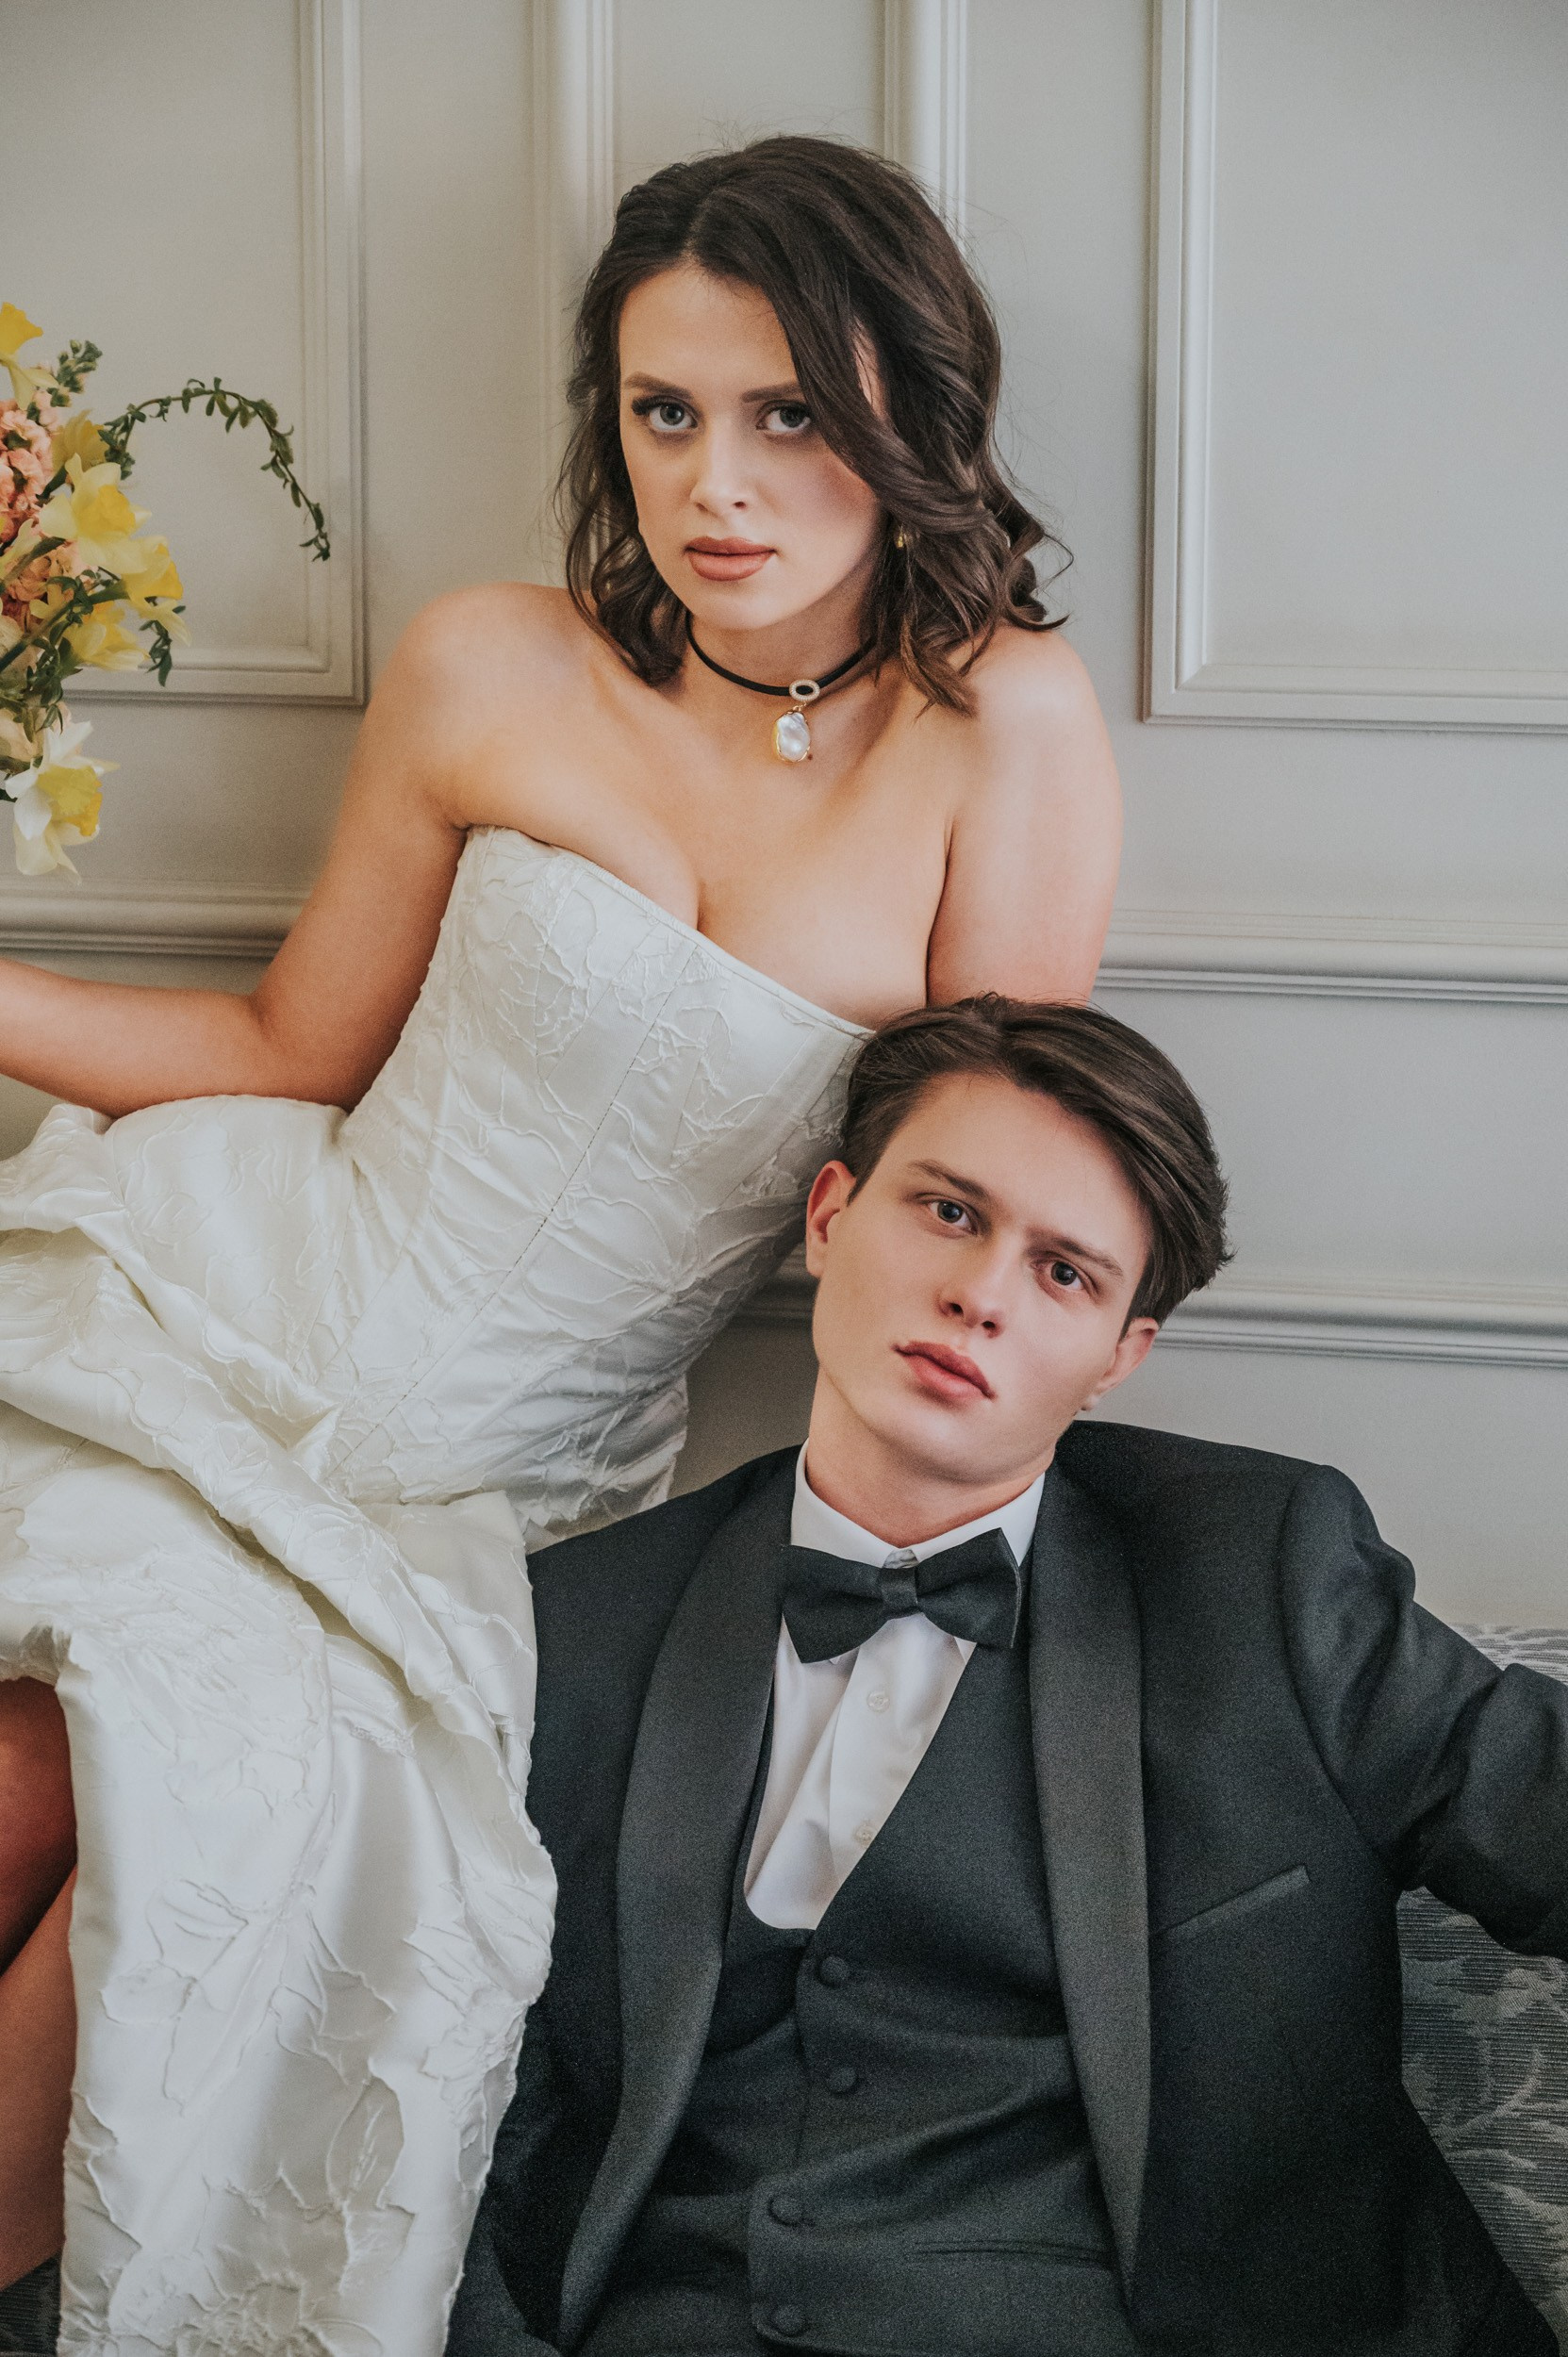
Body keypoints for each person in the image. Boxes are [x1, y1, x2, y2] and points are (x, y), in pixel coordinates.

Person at [0, 138, 1121, 2351]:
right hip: (242, 1308)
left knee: (160, 1818)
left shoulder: (1005, 726)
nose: (717, 482)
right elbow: (287, 1045)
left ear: (907, 408)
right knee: (28, 1760)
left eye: (785, 413)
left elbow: (979, 1190)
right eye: (661, 411)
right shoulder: (490, 662)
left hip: (498, 1497)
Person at [448, 996, 1568, 2357]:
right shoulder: (574, 1620)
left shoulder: (1264, 1572)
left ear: (1119, 1357)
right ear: (830, 1216)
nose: (980, 1294)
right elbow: (468, 2102)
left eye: (1066, 1274)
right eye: (950, 1212)